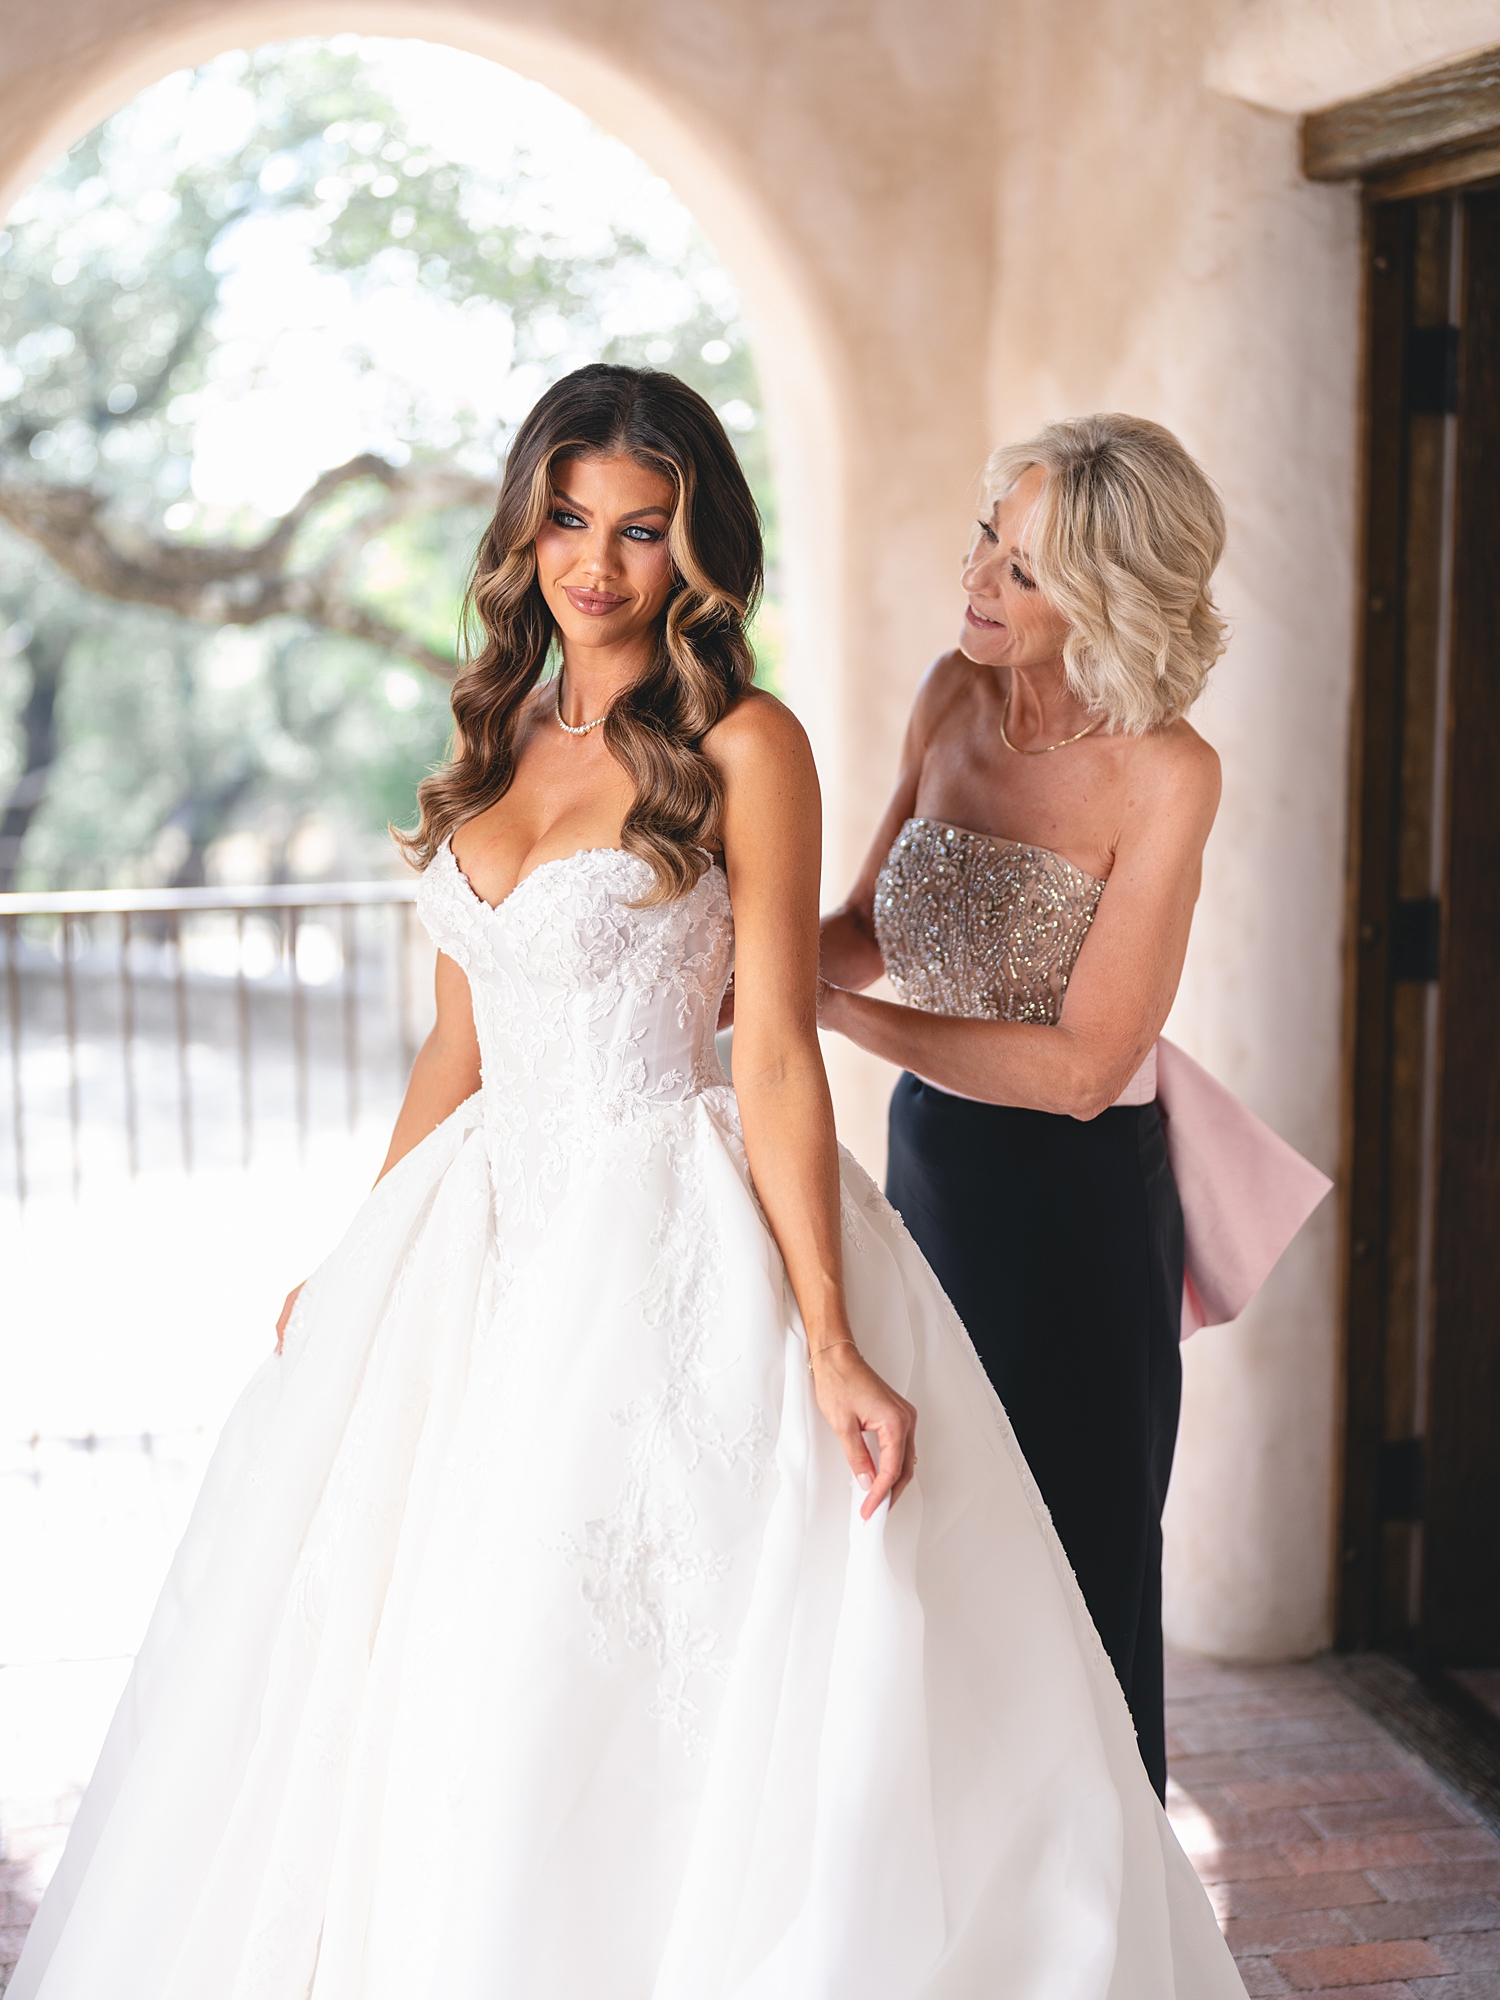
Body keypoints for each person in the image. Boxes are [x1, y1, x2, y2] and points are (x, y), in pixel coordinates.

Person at [13, 373, 1244, 1999]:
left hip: (704, 1224)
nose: (596, 563)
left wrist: (827, 1337)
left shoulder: (749, 743)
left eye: (642, 530)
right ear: (523, 527)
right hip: (482, 1236)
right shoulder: (491, 733)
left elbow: (780, 1049)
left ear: (695, 546)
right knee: (430, 1653)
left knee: (710, 1628)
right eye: (569, 519)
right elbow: (456, 1045)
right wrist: (363, 1249)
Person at [818, 414, 1226, 1801]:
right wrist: (719, 952)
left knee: (1077, 1566)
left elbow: (1085, 1069)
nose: (979, 578)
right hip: (929, 1172)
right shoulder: (951, 691)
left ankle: (1102, 1888)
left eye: (1027, 571)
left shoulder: (1168, 772)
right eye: (989, 537)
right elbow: (864, 930)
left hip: (1080, 1209)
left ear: (1114, 599)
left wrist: (837, 1018)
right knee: (932, 1545)